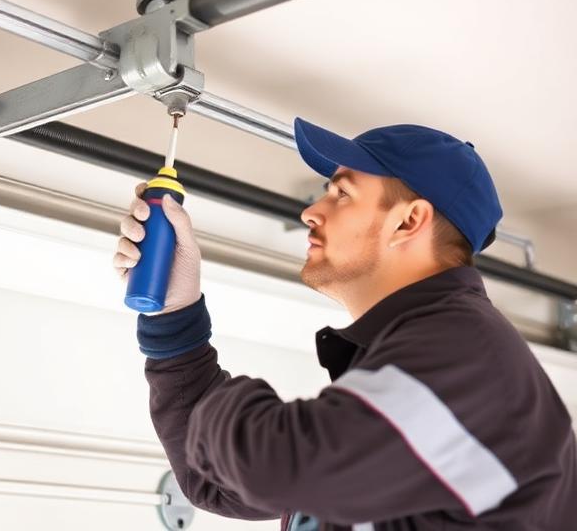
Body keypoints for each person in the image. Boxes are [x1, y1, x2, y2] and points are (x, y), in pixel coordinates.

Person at [113, 119, 577, 530]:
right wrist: (175, 314)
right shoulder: (411, 363)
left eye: (341, 193)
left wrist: (234, 417)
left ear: (409, 221)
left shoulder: (466, 352)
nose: (311, 211)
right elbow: (211, 481)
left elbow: (277, 465)